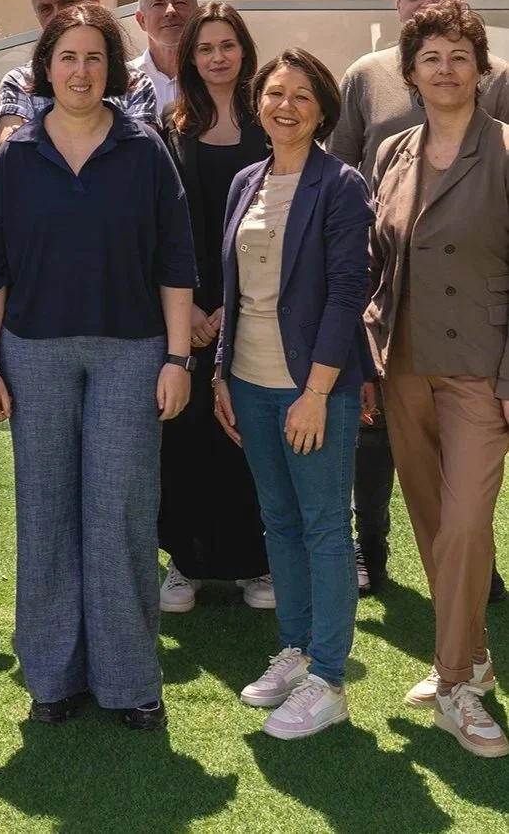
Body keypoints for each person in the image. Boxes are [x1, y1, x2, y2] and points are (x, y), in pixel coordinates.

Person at [0, 3, 197, 730]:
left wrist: (177, 357)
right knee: (45, 515)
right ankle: (52, 679)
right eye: (67, 57)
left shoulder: (144, 149)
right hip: (33, 354)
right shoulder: (18, 153)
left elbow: (175, 261)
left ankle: (130, 682)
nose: (80, 71)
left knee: (121, 514)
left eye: (94, 58)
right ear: (45, 68)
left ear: (112, 69)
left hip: (131, 354)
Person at [329, 0, 509, 601]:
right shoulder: (365, 82)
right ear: (396, 5)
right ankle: (367, 549)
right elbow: (344, 187)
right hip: (396, 312)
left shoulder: (500, 89)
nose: (444, 69)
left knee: (464, 486)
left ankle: (468, 579)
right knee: (381, 450)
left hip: (473, 329)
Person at [214, 48, 372, 741]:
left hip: (315, 390)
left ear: (323, 110)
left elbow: (347, 293)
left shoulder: (341, 185)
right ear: (258, 103)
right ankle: (297, 649)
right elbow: (234, 290)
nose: (286, 106)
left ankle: (330, 679)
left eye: (302, 96)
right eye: (275, 93)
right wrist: (221, 372)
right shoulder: (246, 180)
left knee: (325, 528)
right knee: (278, 524)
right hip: (249, 381)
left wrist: (316, 393)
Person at [366, 0, 509, 758]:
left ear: (480, 67)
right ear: (412, 73)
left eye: (459, 55)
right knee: (432, 523)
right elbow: (377, 266)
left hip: (481, 374)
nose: (446, 69)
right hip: (404, 367)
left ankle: (454, 682)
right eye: (431, 57)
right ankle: (477, 658)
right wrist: (367, 358)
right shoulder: (392, 153)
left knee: (463, 523)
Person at [158, 3, 272, 613]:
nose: (218, 57)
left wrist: (229, 308)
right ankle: (186, 563)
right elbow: (166, 230)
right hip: (185, 314)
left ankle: (257, 564)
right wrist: (195, 312)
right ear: (191, 59)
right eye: (206, 48)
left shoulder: (272, 128)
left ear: (244, 52)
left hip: (258, 311)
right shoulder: (170, 132)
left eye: (228, 45)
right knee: (187, 439)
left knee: (246, 436)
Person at [0, 0, 158, 140]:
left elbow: (140, 157)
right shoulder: (19, 83)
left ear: (96, 4)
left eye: (69, 2)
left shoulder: (135, 83)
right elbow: (16, 156)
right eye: (46, 9)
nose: (58, 15)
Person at [130, 0, 200, 113]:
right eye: (158, 3)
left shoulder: (213, 75)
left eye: (179, 2)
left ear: (196, 15)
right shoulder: (124, 79)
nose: (170, 11)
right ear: (141, 20)